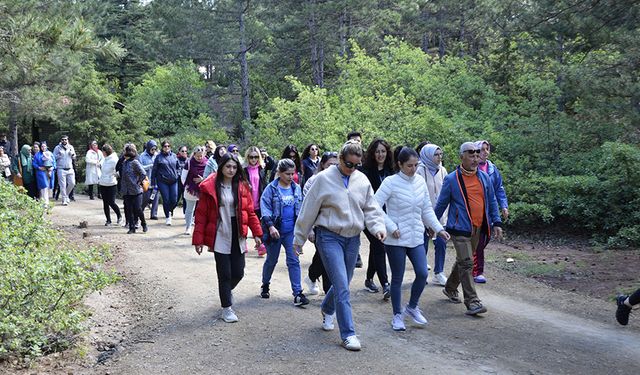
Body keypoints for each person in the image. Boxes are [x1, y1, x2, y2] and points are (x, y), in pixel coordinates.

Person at [294, 140, 386, 351]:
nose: (353, 169)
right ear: (340, 160)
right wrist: (298, 239)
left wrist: (377, 227)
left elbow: (370, 208)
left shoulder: (361, 180)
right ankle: (349, 334)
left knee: (343, 281)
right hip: (329, 236)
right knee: (343, 286)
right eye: (349, 164)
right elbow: (308, 210)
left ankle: (327, 308)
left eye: (357, 165)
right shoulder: (323, 179)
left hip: (353, 237)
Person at [375, 147, 450, 331]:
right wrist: (391, 227)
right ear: (399, 164)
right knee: (398, 278)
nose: (413, 169)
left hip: (416, 235)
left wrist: (438, 228)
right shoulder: (390, 182)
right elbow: (374, 206)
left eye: (416, 165)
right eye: (409, 165)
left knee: (423, 273)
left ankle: (412, 307)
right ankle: (397, 316)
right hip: (396, 239)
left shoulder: (420, 182)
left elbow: (426, 210)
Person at [192, 153, 263, 323]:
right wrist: (198, 240)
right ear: (221, 167)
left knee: (238, 272)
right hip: (220, 233)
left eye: (234, 167)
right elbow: (201, 215)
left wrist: (258, 234)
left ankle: (226, 291)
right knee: (224, 273)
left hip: (238, 232)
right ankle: (227, 307)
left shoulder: (242, 185)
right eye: (228, 167)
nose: (231, 170)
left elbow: (250, 212)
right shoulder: (210, 186)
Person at [434, 142, 503, 316]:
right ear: (461, 157)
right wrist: (432, 225)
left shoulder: (484, 177)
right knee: (467, 263)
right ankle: (472, 301)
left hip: (478, 228)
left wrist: (497, 222)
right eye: (470, 155)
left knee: (463, 261)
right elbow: (441, 204)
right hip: (459, 228)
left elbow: (492, 200)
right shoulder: (451, 179)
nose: (474, 158)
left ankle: (450, 288)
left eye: (476, 155)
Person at [260, 159, 308, 306]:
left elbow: (301, 210)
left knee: (294, 260)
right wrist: (270, 226)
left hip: (290, 232)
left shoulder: (296, 188)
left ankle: (298, 293)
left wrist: (303, 230)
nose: (291, 176)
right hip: (275, 232)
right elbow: (265, 208)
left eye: (293, 173)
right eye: (287, 173)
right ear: (279, 173)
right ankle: (265, 284)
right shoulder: (271, 189)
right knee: (271, 260)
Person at [360, 138, 394, 298]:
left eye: (383, 151)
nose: (380, 154)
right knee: (379, 244)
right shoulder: (364, 172)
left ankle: (368, 279)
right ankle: (386, 284)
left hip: (387, 215)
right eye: (377, 151)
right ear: (372, 153)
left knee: (376, 246)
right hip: (368, 216)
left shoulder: (392, 170)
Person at [472, 140, 509, 284]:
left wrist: (503, 206)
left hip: (489, 211)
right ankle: (476, 271)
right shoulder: (471, 169)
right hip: (475, 210)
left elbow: (499, 189)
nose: (485, 152)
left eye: (487, 149)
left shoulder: (493, 169)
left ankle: (471, 267)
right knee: (478, 242)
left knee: (484, 239)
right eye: (481, 149)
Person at [303, 151, 339, 296]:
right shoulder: (313, 181)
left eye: (336, 165)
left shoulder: (342, 181)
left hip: (335, 226)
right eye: (330, 164)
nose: (333, 168)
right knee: (326, 257)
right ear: (323, 165)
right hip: (319, 226)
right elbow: (306, 208)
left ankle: (311, 276)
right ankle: (328, 291)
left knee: (324, 256)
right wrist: (309, 229)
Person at [416, 143, 449, 286]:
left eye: (440, 154)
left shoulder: (443, 171)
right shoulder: (419, 170)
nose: (439, 157)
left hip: (441, 214)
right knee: (422, 243)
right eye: (436, 155)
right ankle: (421, 272)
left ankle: (439, 272)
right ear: (428, 155)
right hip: (423, 214)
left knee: (441, 242)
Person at [120, 144, 148, 234]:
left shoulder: (135, 162)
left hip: (136, 190)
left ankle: (143, 223)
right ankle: (132, 227)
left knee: (138, 208)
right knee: (129, 209)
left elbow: (143, 173)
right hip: (126, 190)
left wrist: (139, 182)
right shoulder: (124, 163)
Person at [151, 140, 180, 226]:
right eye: (165, 146)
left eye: (168, 146)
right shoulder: (158, 157)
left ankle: (170, 211)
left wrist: (178, 174)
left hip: (174, 181)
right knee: (166, 199)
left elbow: (178, 167)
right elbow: (154, 170)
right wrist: (153, 182)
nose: (167, 147)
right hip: (162, 181)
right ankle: (168, 216)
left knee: (174, 199)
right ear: (162, 147)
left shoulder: (174, 156)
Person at [181, 146, 207, 235]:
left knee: (202, 210)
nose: (200, 158)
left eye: (201, 156)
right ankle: (188, 227)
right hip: (191, 189)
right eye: (198, 156)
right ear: (194, 155)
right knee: (189, 209)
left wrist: (202, 179)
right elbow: (183, 177)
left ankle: (201, 228)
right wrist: (188, 186)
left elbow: (211, 176)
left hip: (203, 189)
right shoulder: (189, 163)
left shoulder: (207, 163)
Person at [98, 144, 122, 226]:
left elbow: (118, 170)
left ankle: (119, 215)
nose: (102, 153)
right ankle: (108, 220)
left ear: (106, 152)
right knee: (105, 203)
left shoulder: (114, 159)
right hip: (103, 183)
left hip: (111, 183)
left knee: (111, 202)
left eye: (103, 152)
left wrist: (116, 175)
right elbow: (101, 167)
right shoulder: (104, 159)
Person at [53, 135, 76, 206]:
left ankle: (66, 195)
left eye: (65, 139)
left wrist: (72, 155)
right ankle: (64, 200)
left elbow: (74, 156)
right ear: (61, 140)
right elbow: (53, 157)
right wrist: (59, 156)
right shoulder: (57, 148)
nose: (64, 141)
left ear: (67, 140)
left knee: (72, 183)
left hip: (70, 168)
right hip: (61, 168)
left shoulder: (71, 147)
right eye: (63, 140)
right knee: (62, 185)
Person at [139, 140, 159, 219]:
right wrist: (150, 166)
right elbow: (140, 167)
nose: (153, 151)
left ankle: (154, 214)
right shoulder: (142, 156)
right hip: (146, 180)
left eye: (155, 149)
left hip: (155, 180)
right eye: (152, 149)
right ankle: (140, 211)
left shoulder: (157, 155)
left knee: (155, 197)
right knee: (146, 198)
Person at [33, 141, 56, 207]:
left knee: (48, 187)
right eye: (42, 146)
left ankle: (45, 201)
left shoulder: (50, 154)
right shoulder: (37, 155)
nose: (43, 147)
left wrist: (53, 167)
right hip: (41, 172)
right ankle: (45, 203)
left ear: (46, 147)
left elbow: (54, 162)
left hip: (49, 172)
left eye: (44, 146)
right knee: (44, 187)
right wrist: (39, 167)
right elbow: (34, 163)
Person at [176, 145, 189, 214]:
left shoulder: (188, 160)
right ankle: (170, 211)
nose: (184, 152)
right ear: (179, 152)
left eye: (185, 151)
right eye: (182, 151)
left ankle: (186, 213)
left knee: (185, 198)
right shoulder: (175, 159)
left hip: (186, 181)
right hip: (177, 180)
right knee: (176, 197)